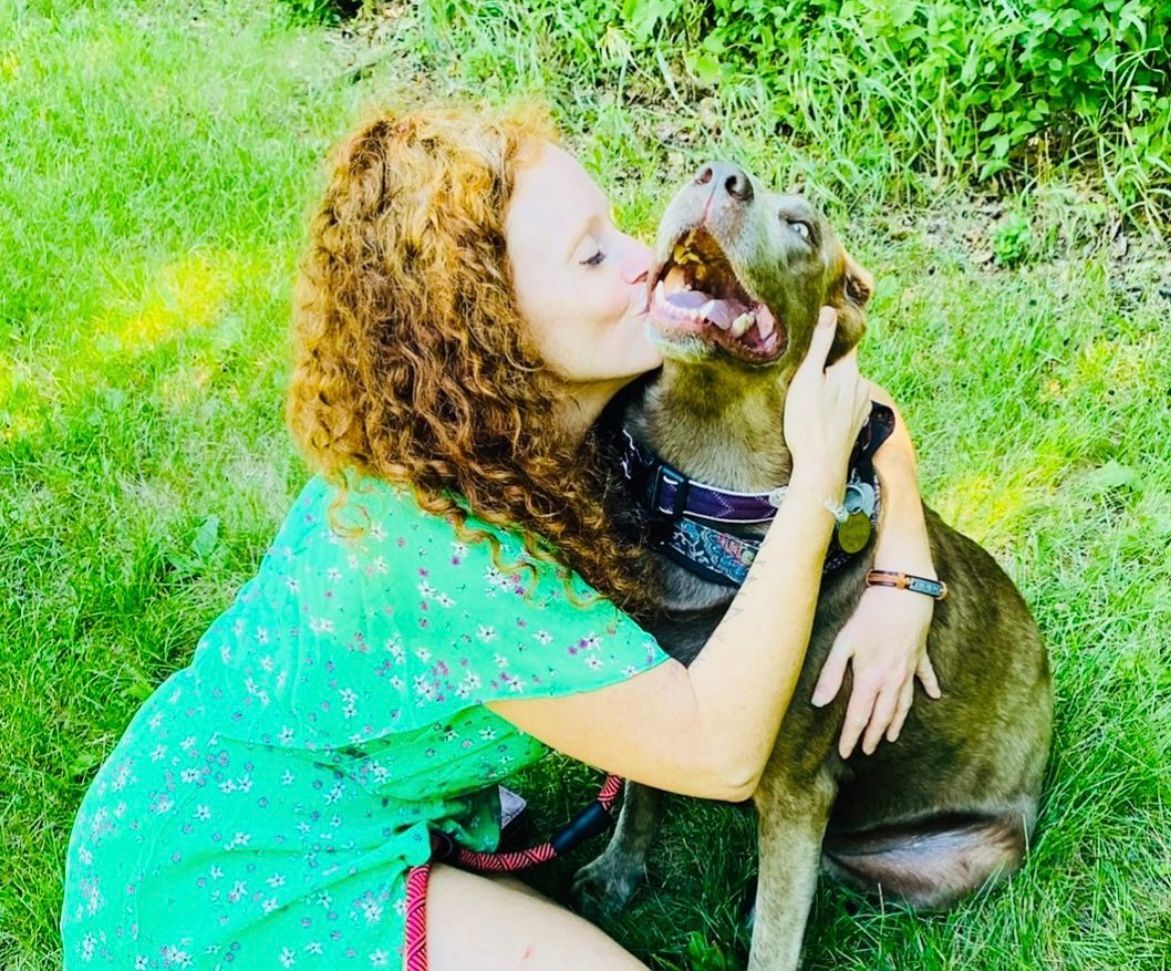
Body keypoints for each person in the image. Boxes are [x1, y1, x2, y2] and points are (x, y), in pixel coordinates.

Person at [61, 101, 941, 970]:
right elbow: (718, 751)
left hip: (319, 795)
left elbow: (863, 404)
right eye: (594, 255)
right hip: (224, 877)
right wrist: (818, 484)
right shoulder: (452, 559)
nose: (648, 263)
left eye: (621, 228)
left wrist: (905, 571)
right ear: (493, 336)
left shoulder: (557, 420)